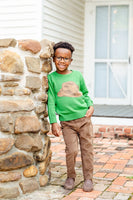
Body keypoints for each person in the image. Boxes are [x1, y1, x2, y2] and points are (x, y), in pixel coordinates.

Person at [48, 41, 94, 192]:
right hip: (67, 122)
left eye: (66, 58)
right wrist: (53, 122)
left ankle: (88, 178)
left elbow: (85, 93)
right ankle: (71, 176)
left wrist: (91, 105)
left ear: (71, 60)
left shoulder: (77, 75)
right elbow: (51, 101)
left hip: (84, 119)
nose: (62, 61)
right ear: (53, 59)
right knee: (72, 150)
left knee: (87, 149)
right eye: (59, 57)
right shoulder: (51, 78)